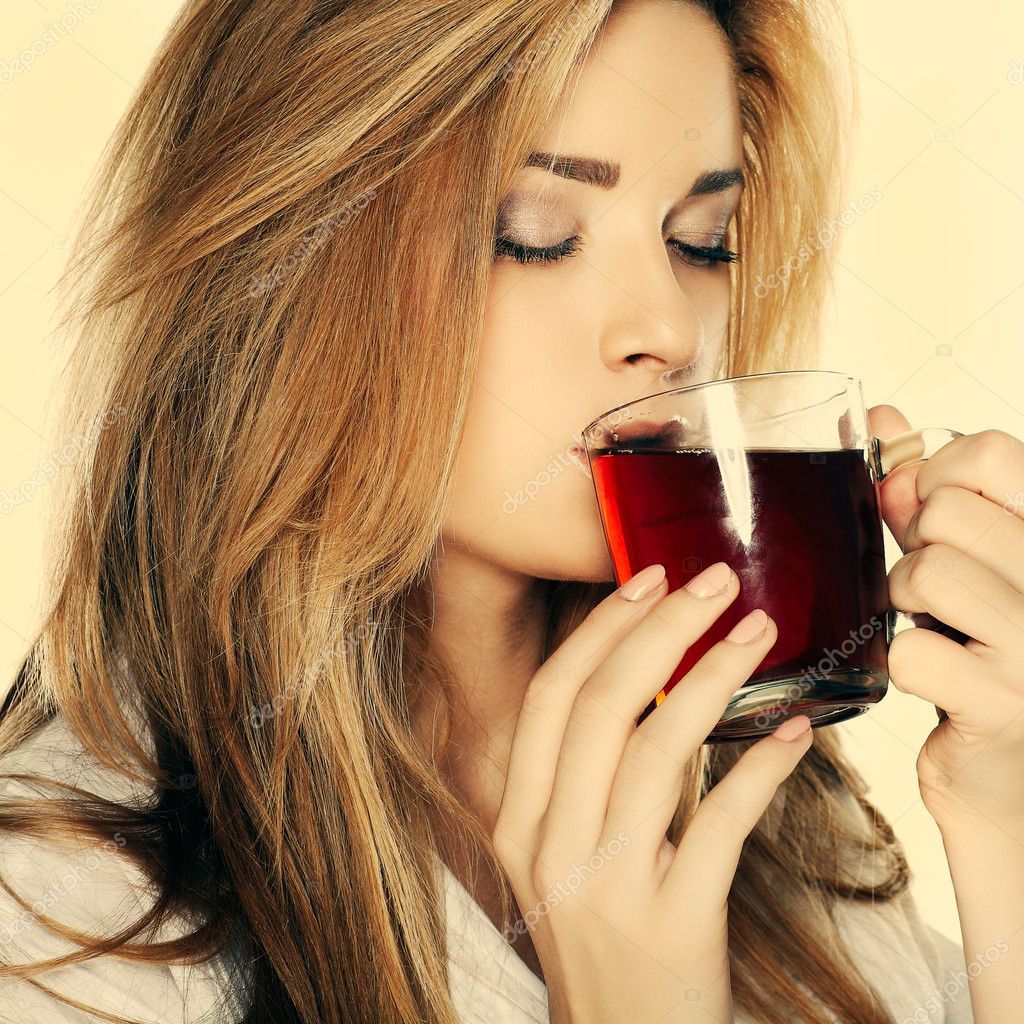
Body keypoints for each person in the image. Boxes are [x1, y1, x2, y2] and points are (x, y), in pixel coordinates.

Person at [3, 0, 1008, 1020]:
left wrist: (1000, 817)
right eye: (534, 236)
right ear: (280, 264)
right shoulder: (56, 921)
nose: (666, 325)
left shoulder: (778, 797)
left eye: (702, 241)